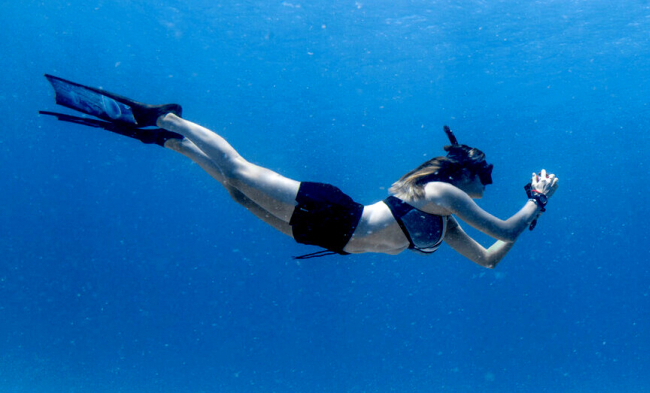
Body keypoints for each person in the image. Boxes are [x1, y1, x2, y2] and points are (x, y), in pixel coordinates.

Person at [39, 74, 558, 265]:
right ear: (462, 170)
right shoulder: (442, 192)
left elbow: (491, 256)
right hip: (340, 214)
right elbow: (506, 227)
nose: (484, 186)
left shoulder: (444, 228)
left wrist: (530, 217)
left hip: (327, 239)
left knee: (237, 195)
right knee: (240, 173)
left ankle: (171, 144)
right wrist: (536, 200)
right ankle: (170, 118)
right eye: (484, 177)